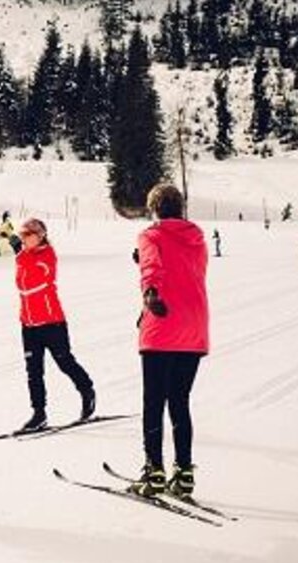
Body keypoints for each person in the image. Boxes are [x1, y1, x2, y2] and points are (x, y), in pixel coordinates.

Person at [129, 183, 209, 498]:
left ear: (155, 209)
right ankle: (184, 473)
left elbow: (153, 269)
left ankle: (154, 472)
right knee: (179, 402)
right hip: (194, 328)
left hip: (162, 325)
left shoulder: (150, 236)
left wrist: (150, 293)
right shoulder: (198, 240)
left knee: (153, 402)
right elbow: (182, 271)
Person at [10, 218, 95, 434]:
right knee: (33, 371)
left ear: (40, 236)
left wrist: (19, 253)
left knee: (64, 362)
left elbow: (33, 281)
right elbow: (21, 285)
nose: (24, 239)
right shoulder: (24, 257)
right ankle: (39, 413)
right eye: (22, 235)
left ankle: (87, 390)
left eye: (28, 235)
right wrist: (20, 252)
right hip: (29, 324)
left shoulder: (47, 256)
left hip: (51, 322)